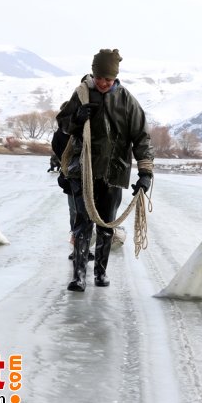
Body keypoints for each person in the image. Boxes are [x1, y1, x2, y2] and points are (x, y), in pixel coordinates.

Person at [57, 49, 154, 292]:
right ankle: (79, 275)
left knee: (106, 224)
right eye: (99, 77)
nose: (102, 83)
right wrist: (77, 118)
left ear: (115, 78)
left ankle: (100, 271)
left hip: (114, 172)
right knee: (82, 223)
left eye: (107, 80)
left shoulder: (128, 101)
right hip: (83, 170)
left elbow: (142, 138)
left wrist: (145, 173)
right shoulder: (81, 94)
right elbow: (63, 125)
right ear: (93, 73)